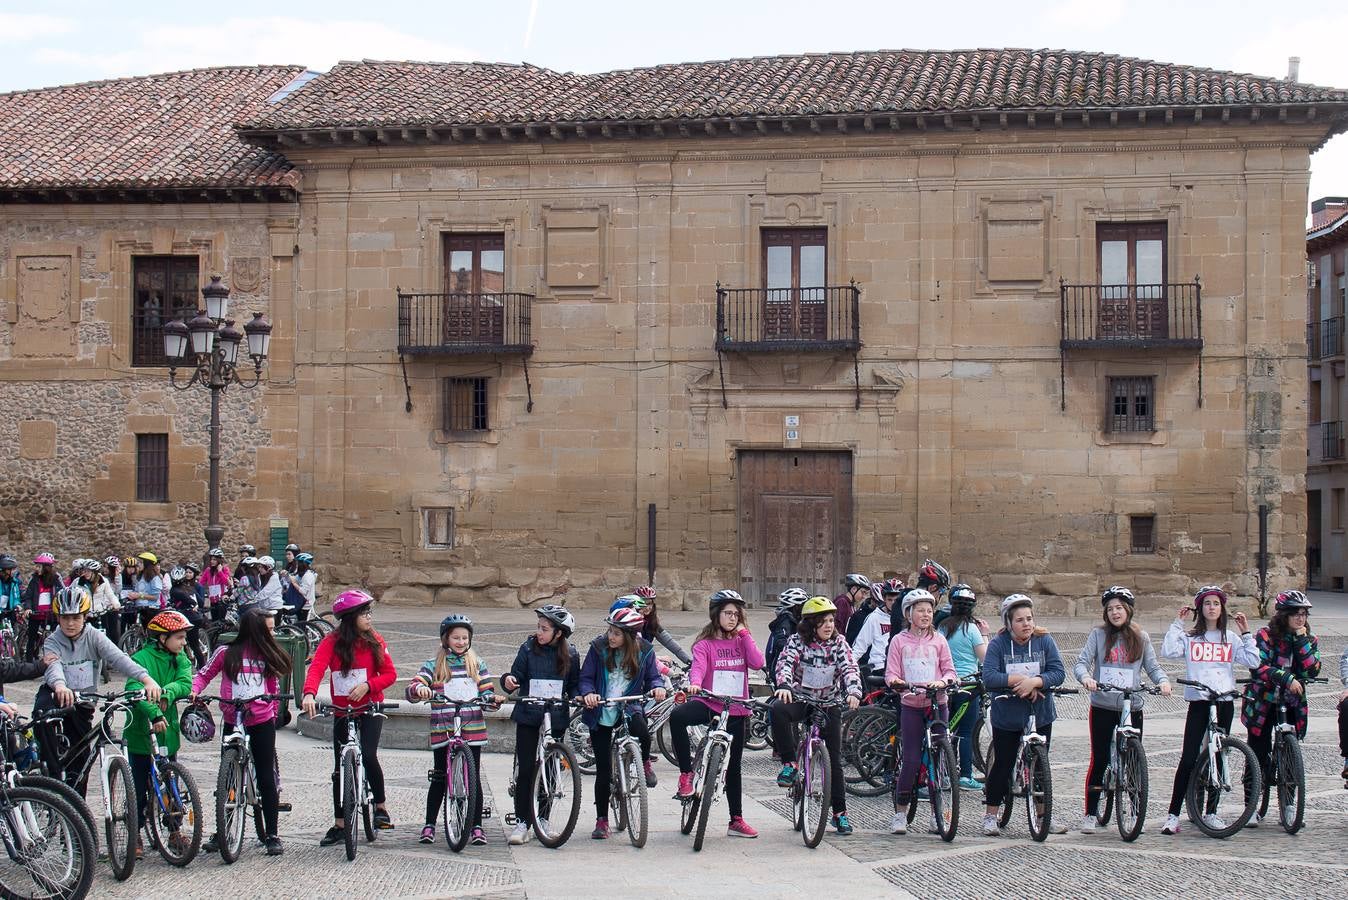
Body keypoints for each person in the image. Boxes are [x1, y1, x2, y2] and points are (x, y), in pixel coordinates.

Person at [34, 584, 162, 793]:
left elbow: (118, 658)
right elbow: (53, 667)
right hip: (57, 694)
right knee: (41, 714)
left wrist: (146, 678)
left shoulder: (94, 636)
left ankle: (77, 812)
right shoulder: (53, 640)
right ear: (58, 618)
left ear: (85, 616)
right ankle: (52, 772)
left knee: (80, 763)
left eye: (76, 617)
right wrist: (60, 686)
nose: (70, 623)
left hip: (83, 700)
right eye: (65, 618)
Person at [193, 595, 293, 856]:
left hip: (260, 721)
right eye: (269, 629)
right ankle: (223, 829)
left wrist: (272, 711)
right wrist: (195, 691)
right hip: (232, 717)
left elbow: (272, 688)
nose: (273, 633)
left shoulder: (267, 656)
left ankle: (272, 832)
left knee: (265, 775)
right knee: (227, 778)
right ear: (255, 631)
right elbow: (204, 675)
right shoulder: (227, 653)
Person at [1159, 585, 1258, 835]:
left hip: (1223, 701)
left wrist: (1246, 633)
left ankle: (1211, 811)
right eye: (1207, 604)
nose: (1211, 607)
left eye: (1215, 603)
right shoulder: (1193, 637)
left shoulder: (1230, 638)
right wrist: (1177, 623)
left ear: (1222, 608)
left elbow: (1254, 661)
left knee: (1219, 755)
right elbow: (1169, 651)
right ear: (1200, 609)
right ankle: (1173, 815)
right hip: (1200, 702)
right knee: (1189, 756)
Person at [302, 589, 398, 845]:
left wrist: (369, 685)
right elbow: (317, 669)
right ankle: (340, 824)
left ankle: (380, 806)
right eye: (364, 613)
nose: (369, 618)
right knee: (339, 768)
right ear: (350, 617)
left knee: (368, 755)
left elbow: (390, 674)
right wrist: (309, 694)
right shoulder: (332, 642)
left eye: (369, 613)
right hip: (343, 711)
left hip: (369, 708)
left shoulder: (375, 640)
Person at [1073, 586, 1171, 833]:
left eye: (1119, 608)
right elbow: (1082, 664)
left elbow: (1153, 667)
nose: (1115, 613)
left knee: (1134, 758)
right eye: (1110, 609)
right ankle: (1091, 813)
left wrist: (1163, 682)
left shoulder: (1141, 637)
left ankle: (1136, 807)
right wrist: (1086, 679)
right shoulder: (1098, 635)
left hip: (1131, 703)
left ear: (1128, 610)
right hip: (1104, 703)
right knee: (1100, 759)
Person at [671, 589, 764, 839]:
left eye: (736, 614)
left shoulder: (742, 640)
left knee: (734, 767)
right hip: (709, 702)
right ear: (716, 615)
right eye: (727, 613)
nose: (732, 618)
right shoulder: (704, 644)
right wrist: (694, 684)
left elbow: (757, 662)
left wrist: (745, 635)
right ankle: (686, 774)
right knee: (678, 717)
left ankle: (736, 819)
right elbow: (699, 668)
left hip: (736, 708)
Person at [770, 596, 862, 836]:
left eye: (831, 620)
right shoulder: (796, 642)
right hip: (801, 699)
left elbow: (850, 668)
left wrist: (853, 691)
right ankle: (790, 763)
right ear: (811, 624)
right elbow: (785, 664)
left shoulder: (839, 643)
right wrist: (784, 685)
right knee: (777, 709)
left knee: (834, 760)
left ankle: (839, 814)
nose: (829, 626)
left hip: (830, 703)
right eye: (823, 621)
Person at [981, 593, 1067, 837]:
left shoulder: (1044, 640)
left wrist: (1036, 682)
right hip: (1007, 715)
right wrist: (1019, 681)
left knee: (1041, 766)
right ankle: (991, 814)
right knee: (1004, 763)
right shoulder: (999, 644)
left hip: (1039, 713)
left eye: (1029, 618)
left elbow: (1058, 672)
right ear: (1009, 623)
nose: (1026, 624)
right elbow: (989, 677)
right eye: (1020, 620)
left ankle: (1043, 815)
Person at [407, 614, 497, 846]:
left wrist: (491, 698)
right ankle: (429, 824)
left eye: (465, 638)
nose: (460, 642)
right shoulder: (434, 664)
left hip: (472, 728)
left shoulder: (476, 664)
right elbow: (415, 685)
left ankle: (476, 825)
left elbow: (486, 690)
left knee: (473, 777)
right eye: (456, 637)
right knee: (439, 776)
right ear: (446, 639)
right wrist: (420, 689)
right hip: (444, 727)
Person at [578, 606, 667, 840]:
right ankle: (602, 820)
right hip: (601, 710)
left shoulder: (645, 651)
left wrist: (657, 687)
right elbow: (585, 678)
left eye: (616, 633)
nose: (611, 636)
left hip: (628, 705)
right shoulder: (598, 649)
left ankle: (644, 762)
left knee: (643, 732)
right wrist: (589, 693)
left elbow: (653, 677)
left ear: (629, 636)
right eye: (610, 631)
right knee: (604, 770)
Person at [1240, 590, 1320, 827]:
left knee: (1290, 757)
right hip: (1263, 702)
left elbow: (1311, 670)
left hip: (1292, 704)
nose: (1300, 618)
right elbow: (1259, 667)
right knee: (1257, 752)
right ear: (1283, 615)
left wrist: (1301, 640)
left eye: (1303, 614)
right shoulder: (1265, 636)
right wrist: (1285, 678)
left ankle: (1288, 803)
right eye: (1295, 614)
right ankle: (1251, 806)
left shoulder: (1309, 639)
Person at [501, 604, 579, 845]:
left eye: (544, 629)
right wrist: (510, 681)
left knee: (552, 767)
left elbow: (575, 685)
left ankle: (542, 817)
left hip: (555, 715)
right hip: (528, 712)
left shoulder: (572, 655)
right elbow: (514, 677)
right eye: (538, 628)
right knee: (525, 768)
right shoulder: (527, 648)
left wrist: (580, 695)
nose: (539, 633)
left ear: (559, 633)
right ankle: (522, 820)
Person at [885, 588, 957, 835]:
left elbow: (950, 671)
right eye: (920, 611)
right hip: (911, 705)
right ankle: (900, 813)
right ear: (909, 613)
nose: (926, 615)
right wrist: (896, 683)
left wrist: (943, 682)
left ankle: (937, 814)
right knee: (912, 760)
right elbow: (891, 673)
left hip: (937, 704)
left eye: (929, 610)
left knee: (939, 757)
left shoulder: (939, 640)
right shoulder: (899, 641)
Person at [124, 610, 195, 857]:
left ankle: (174, 831)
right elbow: (134, 690)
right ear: (162, 638)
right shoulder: (141, 659)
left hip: (168, 734)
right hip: (142, 734)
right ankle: (135, 835)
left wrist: (166, 692)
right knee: (138, 790)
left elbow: (186, 682)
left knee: (170, 783)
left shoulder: (180, 658)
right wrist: (154, 712)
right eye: (180, 637)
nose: (184, 642)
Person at [938, 583, 988, 789]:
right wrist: (985, 634)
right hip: (969, 686)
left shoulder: (943, 627)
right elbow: (985, 657)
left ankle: (946, 772)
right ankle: (966, 775)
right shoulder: (972, 629)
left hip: (947, 684)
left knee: (946, 730)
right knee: (966, 732)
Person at [852, 578, 903, 681]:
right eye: (889, 600)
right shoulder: (874, 618)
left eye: (896, 600)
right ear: (884, 599)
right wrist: (848, 666)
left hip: (901, 668)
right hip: (879, 667)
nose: (893, 603)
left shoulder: (906, 618)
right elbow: (860, 646)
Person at [22, 552, 63, 661]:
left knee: (55, 638)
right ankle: (29, 663)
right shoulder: (34, 580)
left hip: (50, 615)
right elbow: (28, 596)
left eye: (39, 566)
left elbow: (62, 593)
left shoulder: (56, 579)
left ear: (46, 567)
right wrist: (28, 608)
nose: (36, 568)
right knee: (32, 639)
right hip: (36, 614)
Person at [766, 587, 809, 688]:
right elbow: (782, 644)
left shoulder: (792, 620)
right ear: (795, 607)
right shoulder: (785, 622)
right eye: (802, 606)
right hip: (780, 669)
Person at [167, 566, 208, 669]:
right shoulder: (190, 588)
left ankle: (201, 667)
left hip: (188, 618)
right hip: (196, 617)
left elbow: (189, 601)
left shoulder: (175, 591)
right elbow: (200, 602)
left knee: (188, 643)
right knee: (192, 644)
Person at [129, 552, 166, 626]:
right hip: (140, 608)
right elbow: (137, 591)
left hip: (151, 609)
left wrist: (139, 596)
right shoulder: (139, 576)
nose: (138, 565)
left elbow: (155, 597)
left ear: (147, 564)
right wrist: (132, 595)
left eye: (141, 562)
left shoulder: (155, 578)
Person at [845, 579, 885, 645]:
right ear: (872, 599)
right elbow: (851, 639)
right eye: (877, 603)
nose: (880, 607)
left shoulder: (889, 616)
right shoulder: (858, 616)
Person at [832, 573, 872, 638]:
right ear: (853, 589)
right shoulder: (842, 602)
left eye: (866, 593)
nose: (864, 596)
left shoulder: (851, 604)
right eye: (863, 592)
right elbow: (836, 627)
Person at [283, 553, 317, 623]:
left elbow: (303, 591)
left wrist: (294, 583)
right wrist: (286, 575)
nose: (297, 565)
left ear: (303, 564)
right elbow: (294, 579)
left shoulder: (308, 576)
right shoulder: (302, 573)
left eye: (298, 563)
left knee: (301, 625)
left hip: (305, 603)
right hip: (300, 601)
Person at [200, 549, 232, 623]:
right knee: (214, 622)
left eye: (214, 559)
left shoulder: (224, 570)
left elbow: (227, 583)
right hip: (212, 601)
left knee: (222, 622)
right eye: (211, 559)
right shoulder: (208, 570)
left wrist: (220, 572)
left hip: (222, 601)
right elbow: (201, 583)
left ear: (219, 560)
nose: (212, 561)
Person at [0, 555, 23, 632]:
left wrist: (17, 605)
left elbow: (16, 597)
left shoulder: (14, 582)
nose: (14, 571)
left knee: (11, 632)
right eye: (12, 569)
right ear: (5, 570)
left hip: (9, 612)